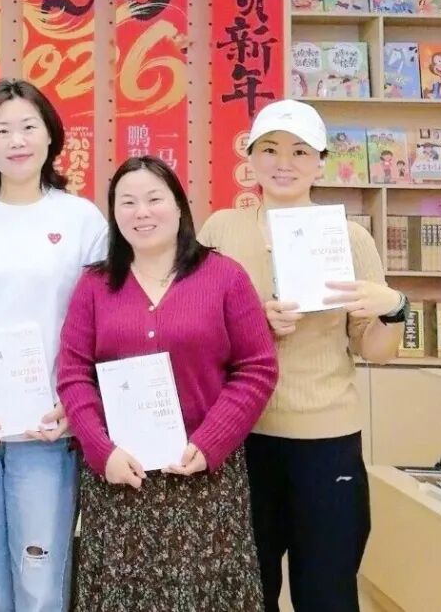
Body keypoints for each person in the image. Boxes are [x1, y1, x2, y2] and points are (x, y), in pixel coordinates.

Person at [198, 99, 407, 612]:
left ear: (320, 162)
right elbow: (196, 335)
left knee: (327, 593)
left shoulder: (350, 237)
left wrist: (394, 308)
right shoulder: (220, 231)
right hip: (239, 437)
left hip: (326, 438)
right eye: (269, 149)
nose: (283, 162)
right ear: (250, 158)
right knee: (247, 593)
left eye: (299, 151)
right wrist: (255, 327)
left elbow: (376, 350)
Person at [57, 156, 278, 611]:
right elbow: (74, 373)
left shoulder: (224, 277)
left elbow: (257, 368)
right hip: (121, 478)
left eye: (154, 199)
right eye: (127, 202)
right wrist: (102, 451)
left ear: (179, 206)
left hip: (202, 475)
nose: (142, 212)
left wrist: (211, 442)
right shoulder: (95, 285)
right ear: (114, 214)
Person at [0, 78, 107, 612]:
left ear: (50, 136)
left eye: (28, 127)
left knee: (41, 568)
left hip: (49, 423)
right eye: (2, 129)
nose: (17, 140)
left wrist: (78, 403)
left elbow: (101, 319)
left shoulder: (81, 218)